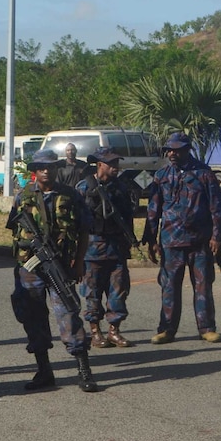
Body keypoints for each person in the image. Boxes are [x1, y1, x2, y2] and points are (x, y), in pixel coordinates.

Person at [6, 148, 98, 392]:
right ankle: (44, 371)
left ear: (58, 169)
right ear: (34, 171)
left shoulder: (70, 195)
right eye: (41, 167)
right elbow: (13, 229)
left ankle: (83, 369)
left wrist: (78, 263)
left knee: (68, 312)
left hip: (60, 266)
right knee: (33, 317)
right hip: (30, 268)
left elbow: (84, 230)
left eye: (51, 167)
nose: (47, 170)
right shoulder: (23, 196)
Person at [142, 132, 221, 344]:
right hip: (171, 241)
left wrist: (217, 237)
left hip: (200, 241)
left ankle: (207, 327)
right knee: (169, 287)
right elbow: (153, 209)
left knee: (203, 286)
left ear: (187, 150)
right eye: (169, 149)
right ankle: (167, 329)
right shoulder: (161, 175)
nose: (171, 153)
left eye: (176, 149)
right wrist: (151, 240)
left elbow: (217, 208)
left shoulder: (204, 174)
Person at [76, 147, 137, 349]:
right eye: (111, 164)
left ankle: (114, 331)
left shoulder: (121, 187)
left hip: (116, 249)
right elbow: (75, 223)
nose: (115, 167)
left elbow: (128, 217)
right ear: (99, 164)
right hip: (92, 250)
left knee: (118, 291)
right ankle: (95, 332)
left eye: (117, 164)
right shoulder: (84, 188)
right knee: (92, 294)